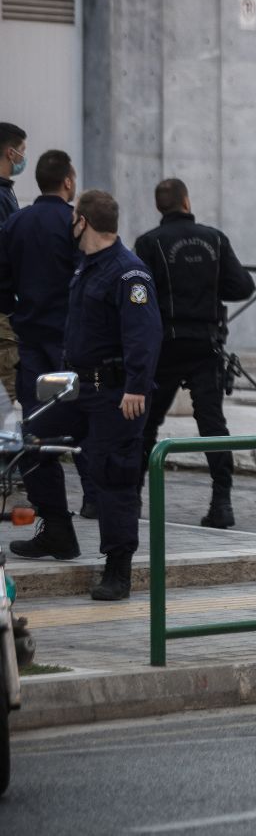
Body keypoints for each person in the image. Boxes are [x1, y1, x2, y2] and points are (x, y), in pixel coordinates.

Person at [56, 190, 161, 599]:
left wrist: (136, 385)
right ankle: (54, 530)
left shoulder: (127, 272)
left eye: (73, 219)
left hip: (116, 394)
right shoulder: (89, 267)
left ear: (83, 221)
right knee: (34, 444)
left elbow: (144, 333)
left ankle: (118, 569)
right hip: (79, 388)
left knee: (115, 477)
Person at [135, 179, 255, 528]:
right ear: (186, 201)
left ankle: (133, 497)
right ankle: (222, 502)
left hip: (165, 345)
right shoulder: (215, 239)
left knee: (147, 423)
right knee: (212, 423)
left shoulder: (148, 243)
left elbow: (139, 294)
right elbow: (242, 286)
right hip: (206, 344)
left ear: (161, 206)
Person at [0, 150, 99, 555]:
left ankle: (56, 525)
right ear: (69, 182)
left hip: (32, 346)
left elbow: (3, 284)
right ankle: (96, 501)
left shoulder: (16, 222)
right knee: (86, 425)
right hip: (70, 346)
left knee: (36, 435)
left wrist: (22, 310)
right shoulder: (75, 224)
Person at [0, 122, 27, 405]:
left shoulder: (6, 192)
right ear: (10, 153)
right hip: (3, 311)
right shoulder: (1, 196)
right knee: (5, 402)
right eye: (22, 152)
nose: (23, 158)